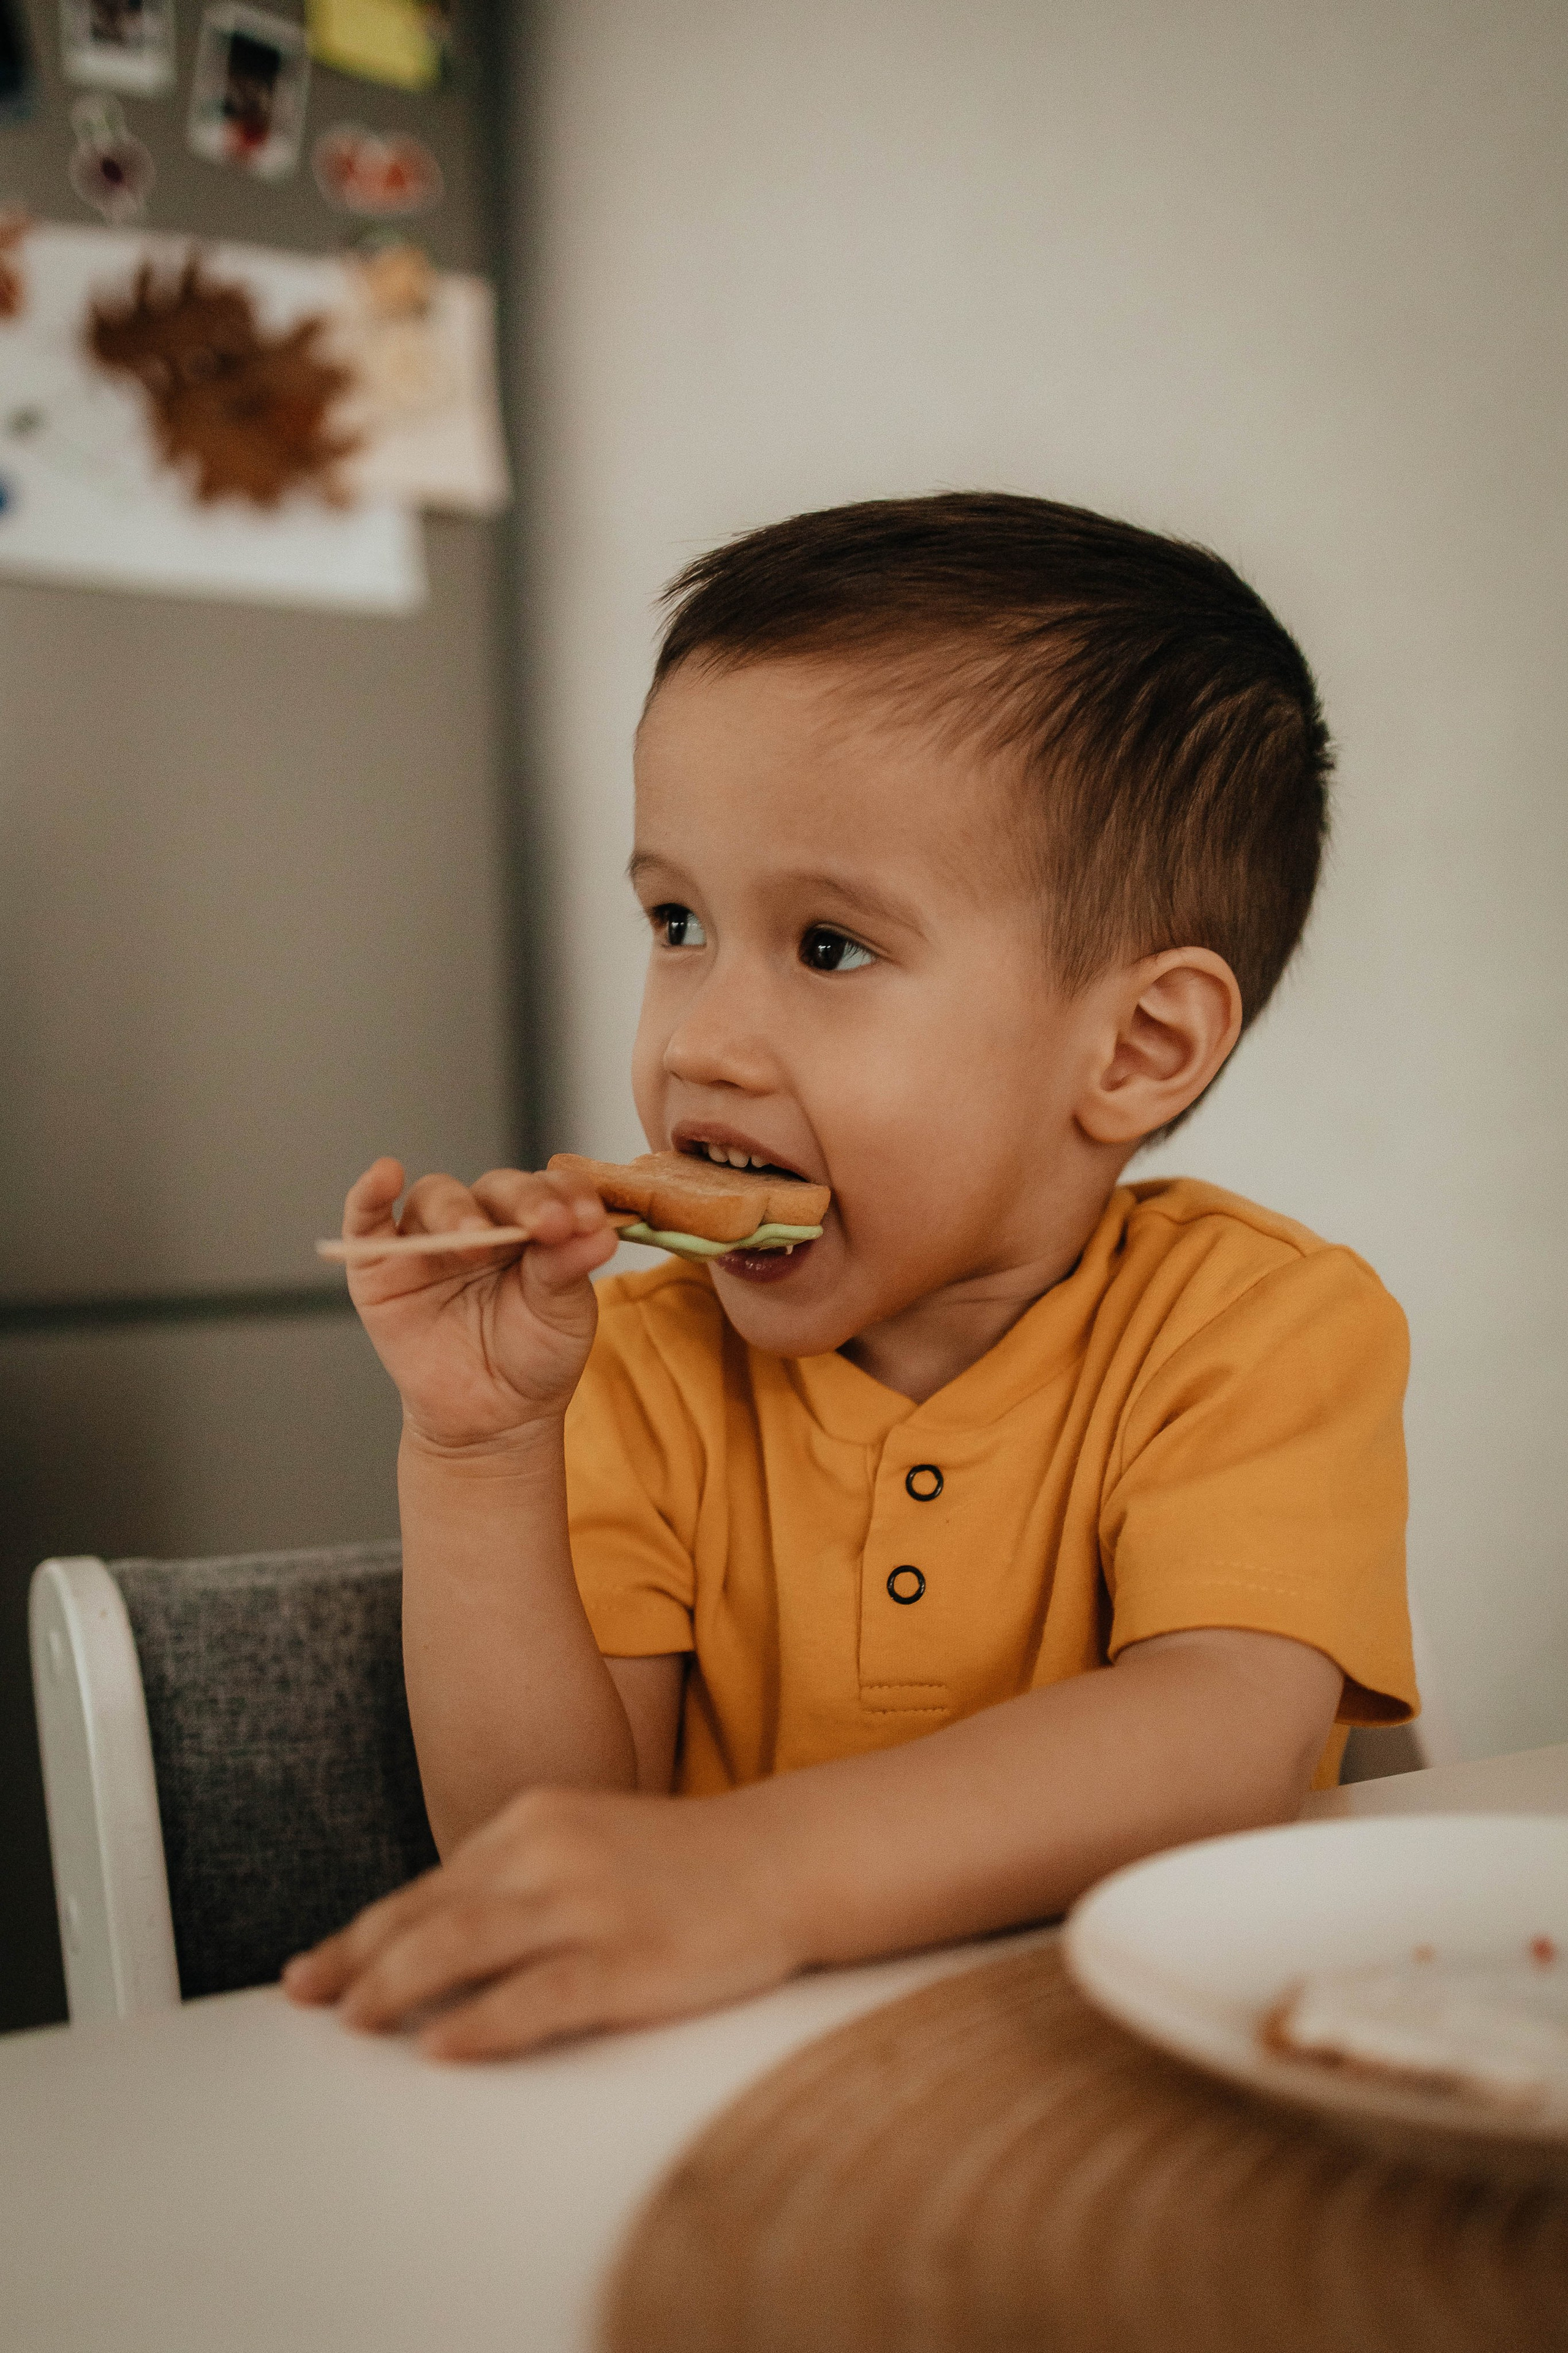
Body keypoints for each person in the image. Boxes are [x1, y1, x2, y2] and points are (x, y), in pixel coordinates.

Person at [284, 493, 1415, 2060]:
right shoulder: (635, 1359)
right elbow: (542, 1845)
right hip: (740, 2093)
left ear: (1136, 1047)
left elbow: (1219, 1736)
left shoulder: (1253, 1329)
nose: (698, 1040)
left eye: (827, 947)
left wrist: (753, 1875)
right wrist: (478, 1450)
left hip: (1143, 2083)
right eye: (676, 921)